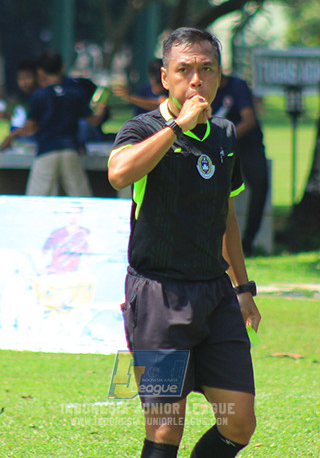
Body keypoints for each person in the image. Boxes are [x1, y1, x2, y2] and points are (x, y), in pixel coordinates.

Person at [107, 28, 261, 458]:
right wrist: (177, 126)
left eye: (207, 69)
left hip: (216, 294)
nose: (196, 80)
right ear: (165, 77)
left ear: (219, 77)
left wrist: (243, 289)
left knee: (239, 422)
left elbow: (226, 215)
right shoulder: (142, 128)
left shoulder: (225, 134)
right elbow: (118, 174)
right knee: (164, 430)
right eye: (184, 70)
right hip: (158, 295)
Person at [0, 50, 104, 196]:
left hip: (47, 149)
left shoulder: (39, 95)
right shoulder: (75, 92)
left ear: (40, 72)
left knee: (37, 197)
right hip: (70, 149)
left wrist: (12, 136)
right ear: (62, 68)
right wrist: (101, 108)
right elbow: (93, 121)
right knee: (80, 196)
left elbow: (30, 126)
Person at [213, 74, 270, 255]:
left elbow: (249, 120)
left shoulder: (237, 86)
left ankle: (248, 242)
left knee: (260, 185)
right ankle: (216, 243)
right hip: (216, 146)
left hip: (247, 144)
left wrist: (225, 139)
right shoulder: (200, 87)